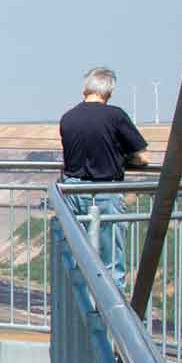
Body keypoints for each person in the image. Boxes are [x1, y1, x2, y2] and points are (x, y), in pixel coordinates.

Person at [59, 66, 150, 287]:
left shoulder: (68, 117)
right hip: (105, 191)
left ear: (85, 90)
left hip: (72, 190)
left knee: (76, 252)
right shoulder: (115, 116)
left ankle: (78, 301)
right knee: (111, 257)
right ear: (109, 92)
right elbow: (142, 157)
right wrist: (126, 160)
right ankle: (110, 307)